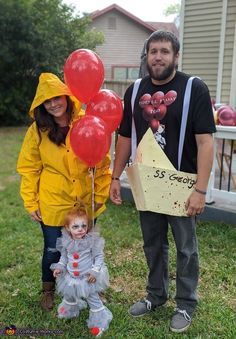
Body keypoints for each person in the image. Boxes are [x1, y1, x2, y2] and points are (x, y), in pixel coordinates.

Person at [110, 30, 216, 333]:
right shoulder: (135, 90)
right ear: (147, 56)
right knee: (152, 244)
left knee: (186, 248)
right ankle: (155, 296)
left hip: (183, 185)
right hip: (147, 182)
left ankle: (185, 303)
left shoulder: (194, 88)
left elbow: (206, 142)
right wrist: (115, 176)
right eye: (153, 51)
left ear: (176, 56)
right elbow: (125, 137)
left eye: (164, 51)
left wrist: (200, 190)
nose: (158, 56)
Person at [17, 73, 111, 312]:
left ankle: (92, 289)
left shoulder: (85, 122)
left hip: (84, 202)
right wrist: (31, 201)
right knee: (53, 248)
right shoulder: (37, 131)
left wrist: (99, 195)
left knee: (87, 247)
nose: (53, 104)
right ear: (41, 106)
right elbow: (29, 168)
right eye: (46, 101)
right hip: (52, 201)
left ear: (67, 97)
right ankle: (48, 290)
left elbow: (102, 162)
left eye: (56, 97)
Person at [51, 207, 112, 337]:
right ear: (67, 227)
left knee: (93, 298)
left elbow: (99, 257)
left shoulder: (91, 241)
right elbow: (64, 257)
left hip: (87, 277)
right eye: (76, 226)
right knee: (69, 294)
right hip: (70, 276)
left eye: (83, 226)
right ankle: (71, 309)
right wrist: (60, 267)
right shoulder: (66, 241)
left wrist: (94, 271)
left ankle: (100, 321)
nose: (80, 229)